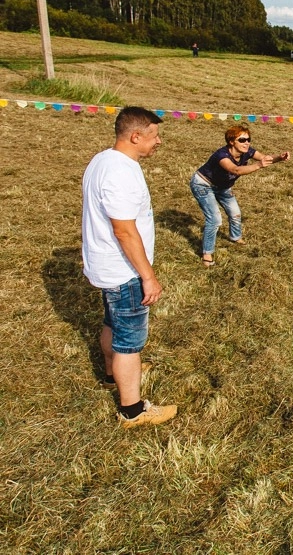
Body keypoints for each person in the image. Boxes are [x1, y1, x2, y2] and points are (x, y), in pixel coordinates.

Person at [82, 106, 177, 428]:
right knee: (129, 343)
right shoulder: (120, 174)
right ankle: (132, 410)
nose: (159, 141)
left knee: (112, 323)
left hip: (107, 267)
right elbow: (124, 229)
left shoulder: (103, 159)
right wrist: (148, 277)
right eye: (154, 135)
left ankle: (112, 376)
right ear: (136, 136)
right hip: (125, 272)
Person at [190, 124, 290, 266]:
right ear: (232, 142)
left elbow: (264, 158)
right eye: (242, 140)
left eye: (248, 139)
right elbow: (235, 170)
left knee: (235, 213)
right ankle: (207, 253)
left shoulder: (247, 152)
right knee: (215, 219)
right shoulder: (222, 156)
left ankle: (235, 237)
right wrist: (258, 165)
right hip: (203, 184)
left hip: (223, 187)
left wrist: (279, 157)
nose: (247, 143)